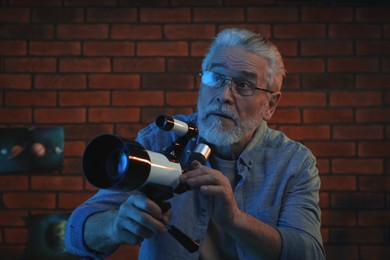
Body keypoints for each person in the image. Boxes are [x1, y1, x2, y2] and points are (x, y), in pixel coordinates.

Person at [65, 28, 325, 259]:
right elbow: (75, 234)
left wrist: (234, 220)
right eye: (215, 78)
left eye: (244, 84)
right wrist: (114, 226)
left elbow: (309, 252)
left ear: (271, 104)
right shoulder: (161, 139)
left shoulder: (294, 162)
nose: (224, 96)